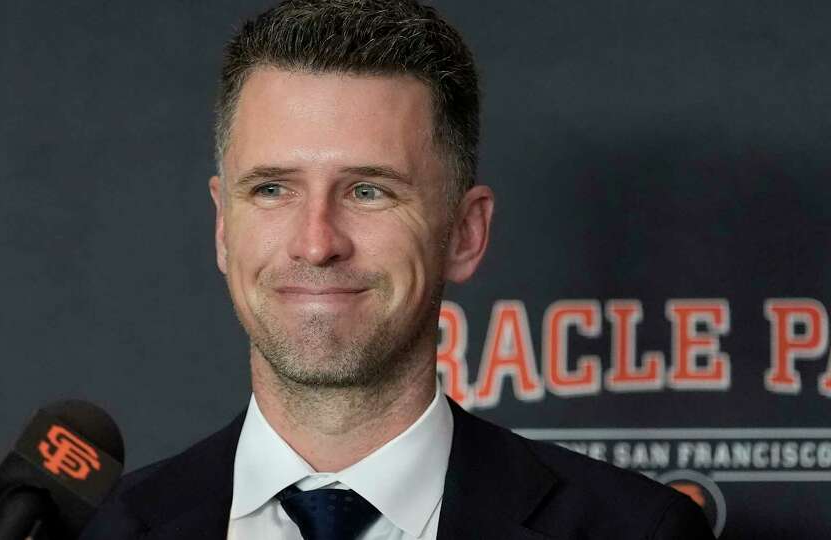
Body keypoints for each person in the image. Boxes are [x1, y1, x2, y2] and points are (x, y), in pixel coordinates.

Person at [82, 1, 715, 538]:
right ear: (224, 225)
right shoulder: (97, 531)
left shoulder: (633, 530)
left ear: (465, 235)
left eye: (368, 191)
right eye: (273, 190)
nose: (316, 243)